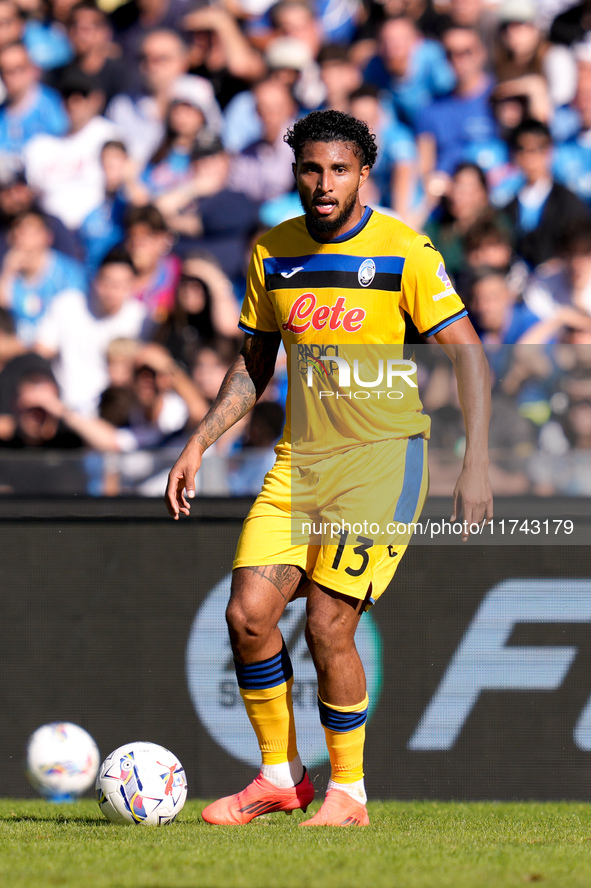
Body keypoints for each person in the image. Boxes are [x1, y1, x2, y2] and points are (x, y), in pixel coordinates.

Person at [165, 109, 492, 827]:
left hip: (381, 462)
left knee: (326, 623)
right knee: (247, 615)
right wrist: (200, 440)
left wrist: (474, 462)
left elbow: (466, 350)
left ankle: (348, 793)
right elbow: (253, 367)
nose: (323, 182)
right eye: (311, 168)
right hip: (300, 462)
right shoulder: (271, 254)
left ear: (361, 174)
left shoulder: (403, 250)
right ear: (294, 172)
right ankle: (279, 778)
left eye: (338, 169)